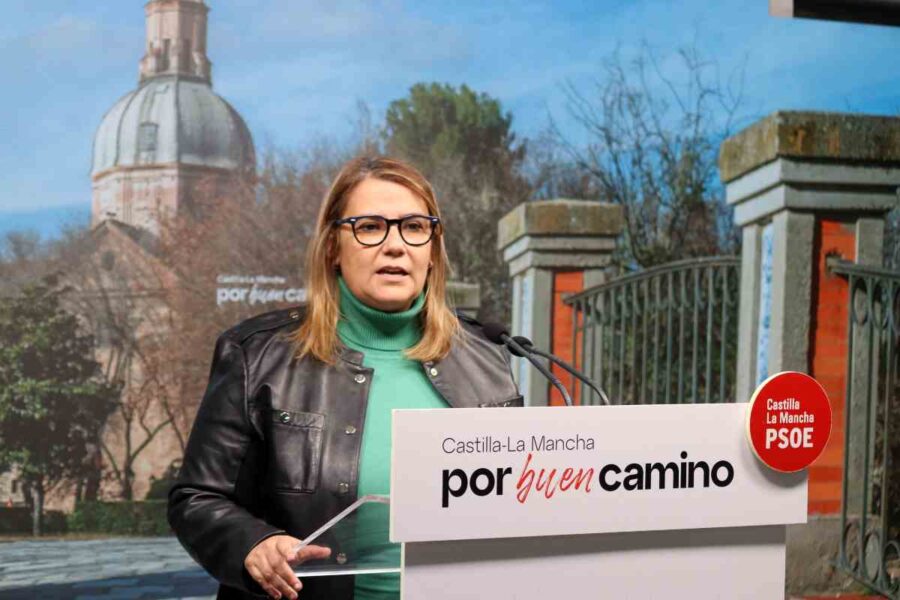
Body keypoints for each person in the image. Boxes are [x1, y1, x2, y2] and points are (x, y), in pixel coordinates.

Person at [168, 156, 522, 600]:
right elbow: (197, 498)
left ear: (432, 250)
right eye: (370, 227)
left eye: (414, 227)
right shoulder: (256, 355)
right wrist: (253, 544)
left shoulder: (488, 358)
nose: (395, 246)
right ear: (333, 247)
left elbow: (516, 505)